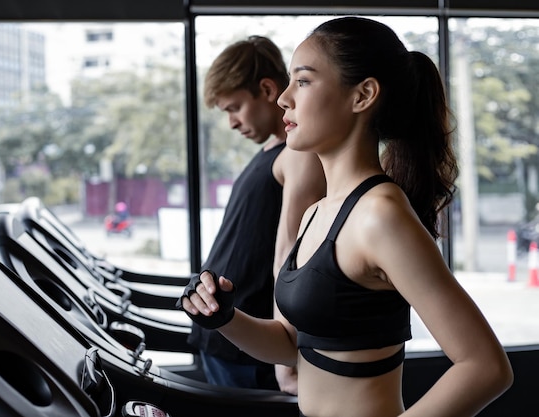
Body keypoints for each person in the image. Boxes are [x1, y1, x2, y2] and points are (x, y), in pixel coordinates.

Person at [179, 17, 513, 417]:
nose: (284, 98)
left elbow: (486, 367)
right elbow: (288, 343)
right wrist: (223, 317)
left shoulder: (380, 214)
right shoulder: (316, 213)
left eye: (302, 81)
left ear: (363, 95)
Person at [186, 35, 325, 394]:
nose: (231, 122)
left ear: (266, 89)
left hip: (252, 348)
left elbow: (290, 259)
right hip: (226, 339)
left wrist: (287, 364)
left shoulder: (298, 155)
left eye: (234, 107)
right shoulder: (271, 151)